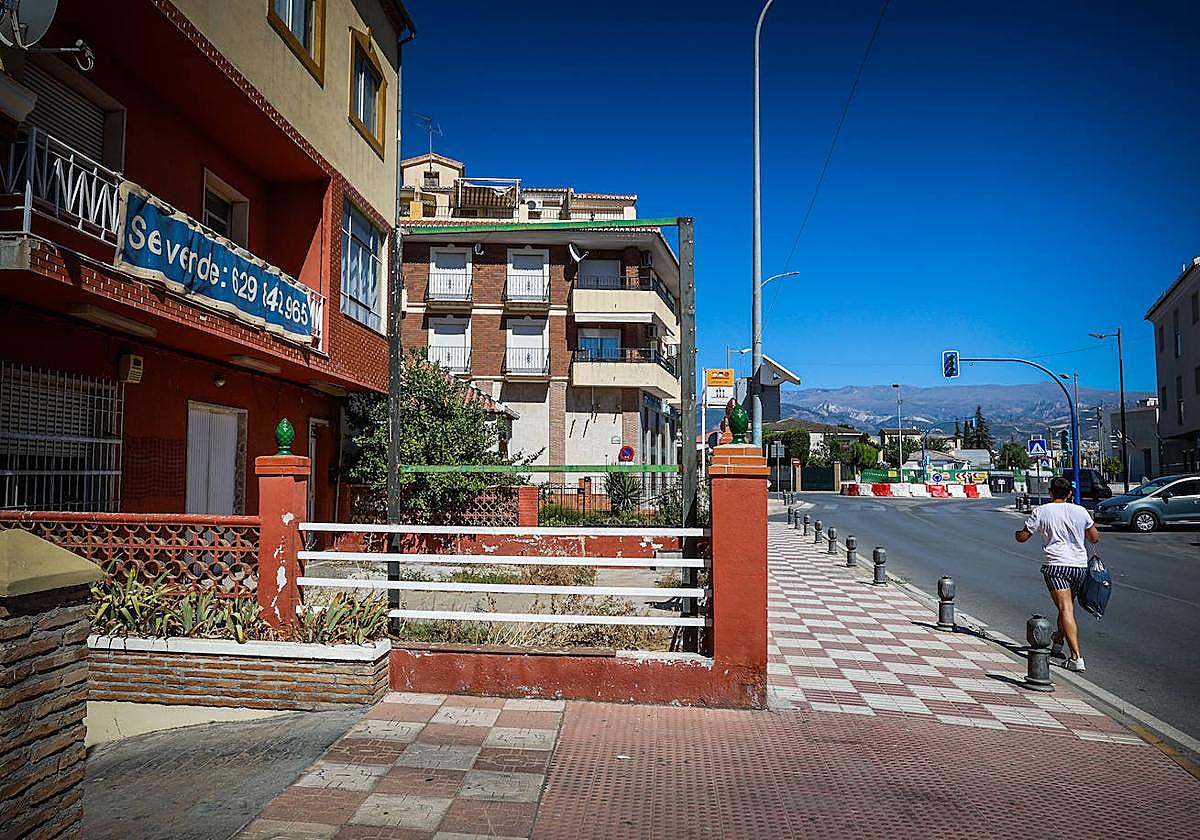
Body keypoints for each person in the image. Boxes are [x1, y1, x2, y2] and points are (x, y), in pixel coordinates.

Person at [1014, 476, 1100, 671]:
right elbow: (1095, 538)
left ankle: (1076, 658)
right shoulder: (1081, 511)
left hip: (1056, 566)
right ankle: (1058, 642)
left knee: (1065, 609)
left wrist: (1018, 534)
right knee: (1067, 607)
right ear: (1070, 493)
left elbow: (1023, 537)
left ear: (1050, 492)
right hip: (1079, 566)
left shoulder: (1042, 511)